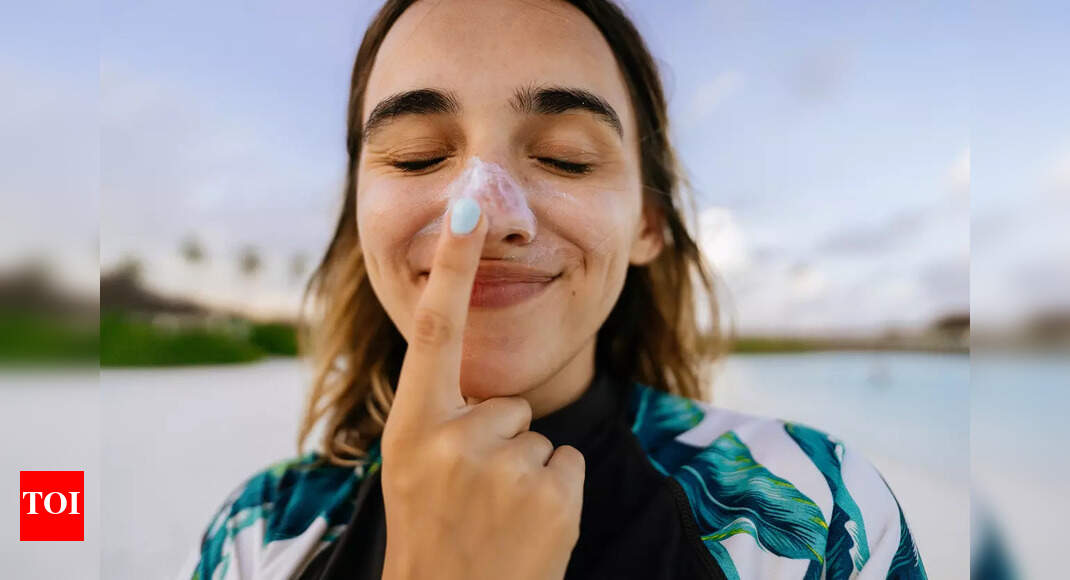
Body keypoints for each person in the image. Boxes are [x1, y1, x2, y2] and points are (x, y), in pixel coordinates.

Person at [177, 0, 927, 578]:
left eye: (568, 159)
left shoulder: (818, 509)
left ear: (648, 223)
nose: (488, 214)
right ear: (357, 220)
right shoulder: (258, 533)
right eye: (416, 156)